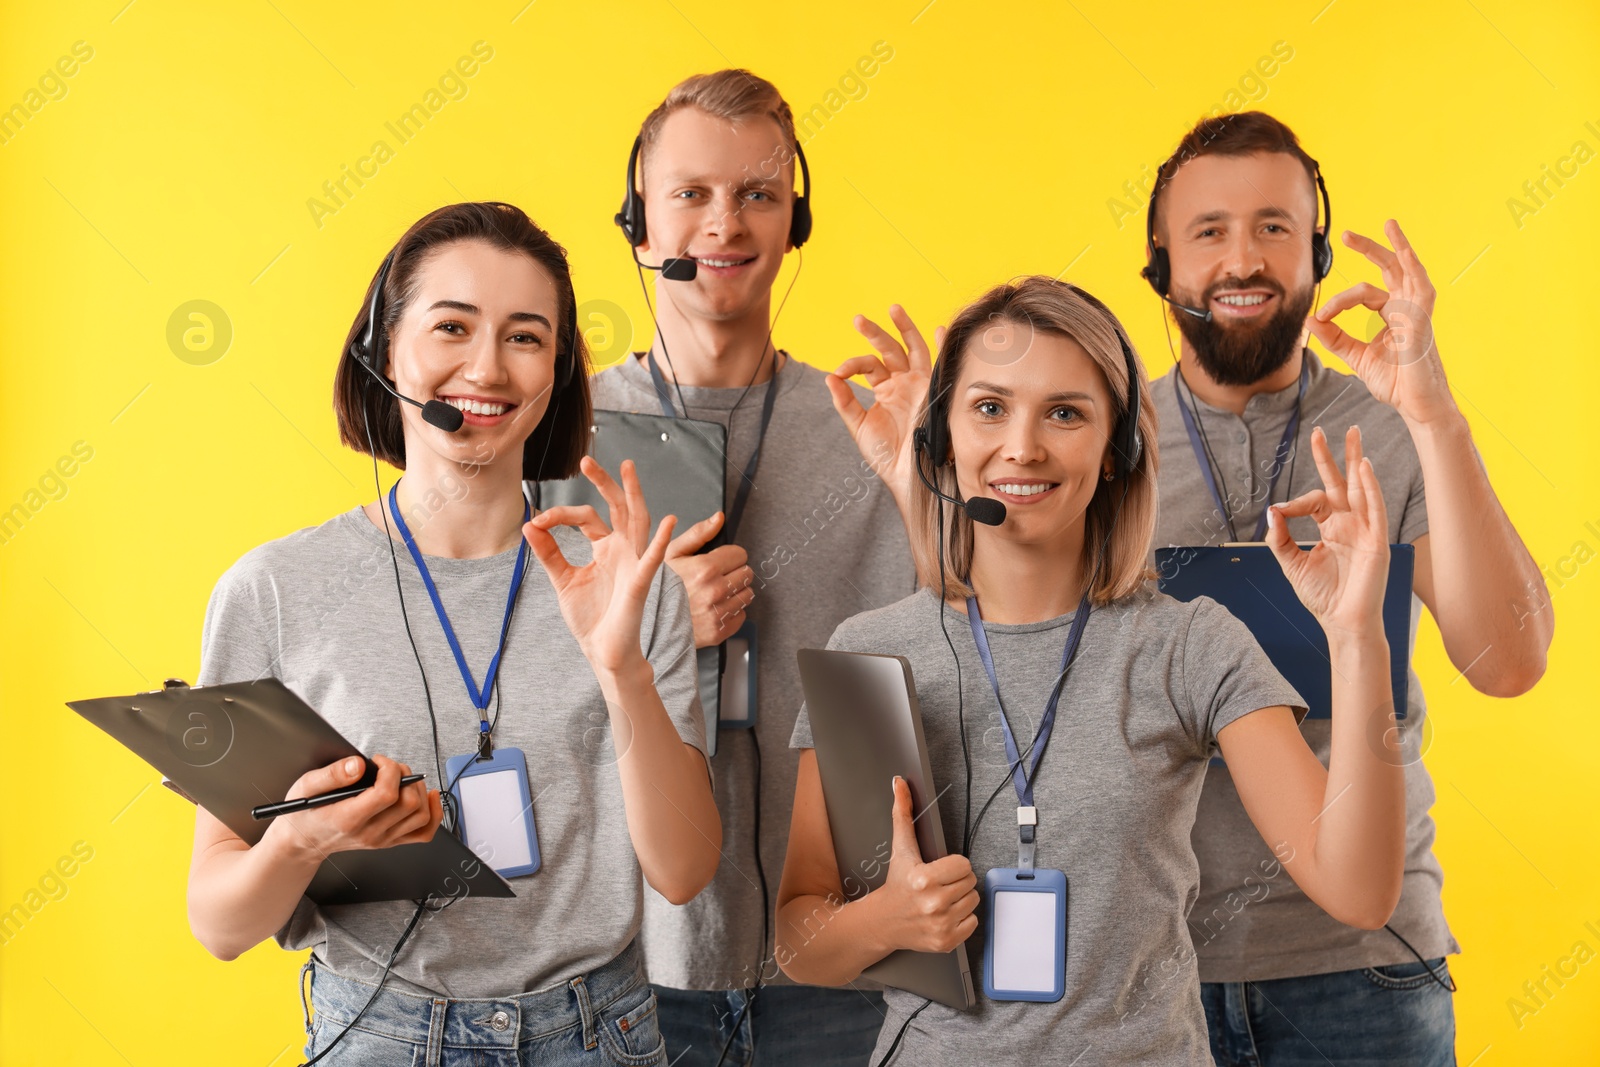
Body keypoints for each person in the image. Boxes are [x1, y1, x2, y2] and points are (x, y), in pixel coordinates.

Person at [775, 276, 1408, 1065]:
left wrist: (1358, 639)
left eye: (1065, 412)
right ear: (941, 438)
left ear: (1119, 451)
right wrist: (885, 923)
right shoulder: (870, 650)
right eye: (989, 407)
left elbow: (1360, 889)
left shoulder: (1191, 647)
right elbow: (800, 934)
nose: (1023, 446)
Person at [186, 201, 720, 1065]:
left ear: (556, 372)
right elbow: (219, 922)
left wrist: (621, 668)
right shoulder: (274, 590)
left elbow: (685, 871)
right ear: (383, 349)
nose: (486, 367)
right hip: (380, 1033)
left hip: (598, 1032)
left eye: (525, 337)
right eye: (451, 326)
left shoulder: (617, 578)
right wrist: (307, 836)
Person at [1139, 112, 1552, 1066]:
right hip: (1153, 965)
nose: (1243, 259)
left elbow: (1511, 661)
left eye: (1274, 228)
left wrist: (1435, 411)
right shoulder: (1098, 437)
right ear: (1160, 258)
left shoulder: (1393, 421)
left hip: (1367, 966)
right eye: (1210, 231)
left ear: (1317, 249)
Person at [583, 69, 916, 1065]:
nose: (723, 224)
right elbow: (507, 697)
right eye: (690, 194)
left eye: (757, 195)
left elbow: (974, 656)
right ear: (639, 228)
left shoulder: (876, 424)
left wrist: (931, 482)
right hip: (622, 969)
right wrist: (648, 636)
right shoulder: (561, 440)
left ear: (793, 223)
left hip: (841, 964)